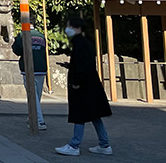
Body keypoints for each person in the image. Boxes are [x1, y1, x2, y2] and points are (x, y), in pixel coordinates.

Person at [54, 17, 113, 156]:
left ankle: (74, 145)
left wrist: (76, 82)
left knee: (79, 115)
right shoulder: (85, 43)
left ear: (77, 28)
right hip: (91, 85)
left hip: (83, 86)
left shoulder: (79, 44)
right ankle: (104, 144)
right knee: (94, 115)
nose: (67, 29)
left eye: (69, 26)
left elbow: (82, 66)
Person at [11, 9, 48, 131]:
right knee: (37, 95)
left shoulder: (23, 34)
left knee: (32, 95)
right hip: (41, 68)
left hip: (28, 68)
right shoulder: (41, 35)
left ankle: (39, 120)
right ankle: (33, 115)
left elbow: (17, 50)